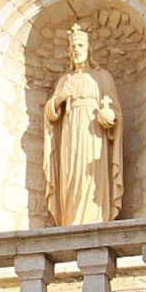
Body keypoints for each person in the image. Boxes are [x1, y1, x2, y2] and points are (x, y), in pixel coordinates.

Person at [44, 23, 123, 224]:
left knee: (91, 175)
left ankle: (96, 219)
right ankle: (70, 221)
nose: (75, 50)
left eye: (79, 46)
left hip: (94, 135)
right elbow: (50, 114)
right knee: (70, 177)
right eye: (72, 47)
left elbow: (114, 110)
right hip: (69, 134)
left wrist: (109, 115)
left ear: (89, 50)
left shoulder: (101, 77)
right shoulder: (65, 80)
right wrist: (59, 98)